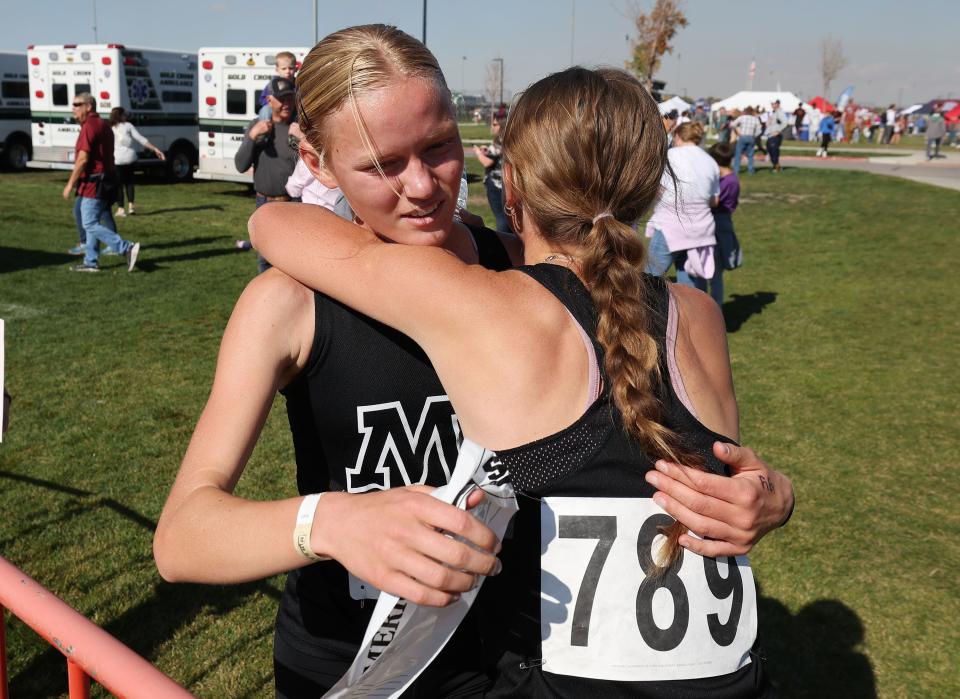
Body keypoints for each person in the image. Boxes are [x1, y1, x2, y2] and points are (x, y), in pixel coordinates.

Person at [158, 25, 794, 698]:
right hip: (351, 666)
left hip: (508, 661)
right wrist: (333, 521)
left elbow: (656, 438)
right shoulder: (288, 302)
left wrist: (766, 492)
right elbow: (183, 536)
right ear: (314, 161)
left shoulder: (524, 272)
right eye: (382, 165)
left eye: (439, 148)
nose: (423, 186)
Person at [63, 93, 140, 273]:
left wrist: (69, 184)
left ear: (89, 106)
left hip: (95, 183)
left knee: (89, 223)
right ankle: (91, 261)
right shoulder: (103, 124)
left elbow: (83, 159)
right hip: (106, 180)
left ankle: (125, 247)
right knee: (90, 219)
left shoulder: (89, 126)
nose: (73, 108)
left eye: (77, 104)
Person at [644, 121, 719, 292]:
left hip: (672, 223)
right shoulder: (710, 161)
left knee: (650, 277)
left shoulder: (671, 156)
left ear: (677, 137)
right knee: (691, 281)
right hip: (701, 227)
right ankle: (697, 317)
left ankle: (644, 315)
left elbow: (658, 190)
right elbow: (715, 200)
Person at [234, 76, 299, 273]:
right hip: (264, 204)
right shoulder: (258, 126)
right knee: (265, 260)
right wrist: (253, 137)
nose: (287, 103)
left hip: (294, 205)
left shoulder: (298, 128)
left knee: (292, 261)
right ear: (269, 100)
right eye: (282, 99)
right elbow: (240, 165)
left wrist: (302, 140)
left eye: (290, 98)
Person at [110, 107, 165, 217]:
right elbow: (141, 139)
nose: (126, 116)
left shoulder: (110, 128)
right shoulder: (129, 126)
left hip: (117, 160)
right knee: (130, 182)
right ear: (120, 116)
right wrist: (155, 149)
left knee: (118, 185)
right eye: (125, 114)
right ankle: (131, 206)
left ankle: (121, 209)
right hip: (131, 158)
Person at [707, 142, 741, 305]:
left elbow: (715, 202)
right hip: (722, 221)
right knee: (714, 272)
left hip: (718, 223)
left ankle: (715, 309)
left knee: (715, 271)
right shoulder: (731, 178)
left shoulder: (726, 181)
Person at [472, 116, 510, 233]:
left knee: (501, 217)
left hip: (496, 185)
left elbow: (487, 163)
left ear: (501, 125)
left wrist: (478, 153)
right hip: (508, 182)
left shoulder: (498, 141)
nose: (492, 127)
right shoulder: (509, 138)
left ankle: (504, 242)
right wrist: (487, 151)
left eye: (495, 124)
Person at [258, 51, 298, 121]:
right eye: (284, 68)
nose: (287, 71)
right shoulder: (272, 85)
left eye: (291, 68)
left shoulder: (298, 84)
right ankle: (265, 127)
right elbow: (262, 99)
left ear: (296, 69)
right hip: (276, 111)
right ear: (277, 70)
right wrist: (273, 104)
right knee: (265, 109)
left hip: (293, 110)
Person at [731, 106, 762, 174]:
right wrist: (754, 135)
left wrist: (738, 131)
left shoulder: (742, 117)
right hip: (751, 137)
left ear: (745, 111)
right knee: (750, 155)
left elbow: (732, 124)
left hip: (742, 136)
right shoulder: (755, 119)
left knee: (738, 154)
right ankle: (750, 170)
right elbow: (759, 130)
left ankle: (736, 170)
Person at [765, 100, 788, 173]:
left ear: (778, 104)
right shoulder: (774, 112)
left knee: (774, 151)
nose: (772, 105)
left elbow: (785, 122)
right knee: (770, 150)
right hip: (770, 135)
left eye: (774, 103)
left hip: (775, 136)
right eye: (772, 104)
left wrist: (778, 131)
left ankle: (776, 167)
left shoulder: (780, 112)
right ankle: (776, 166)